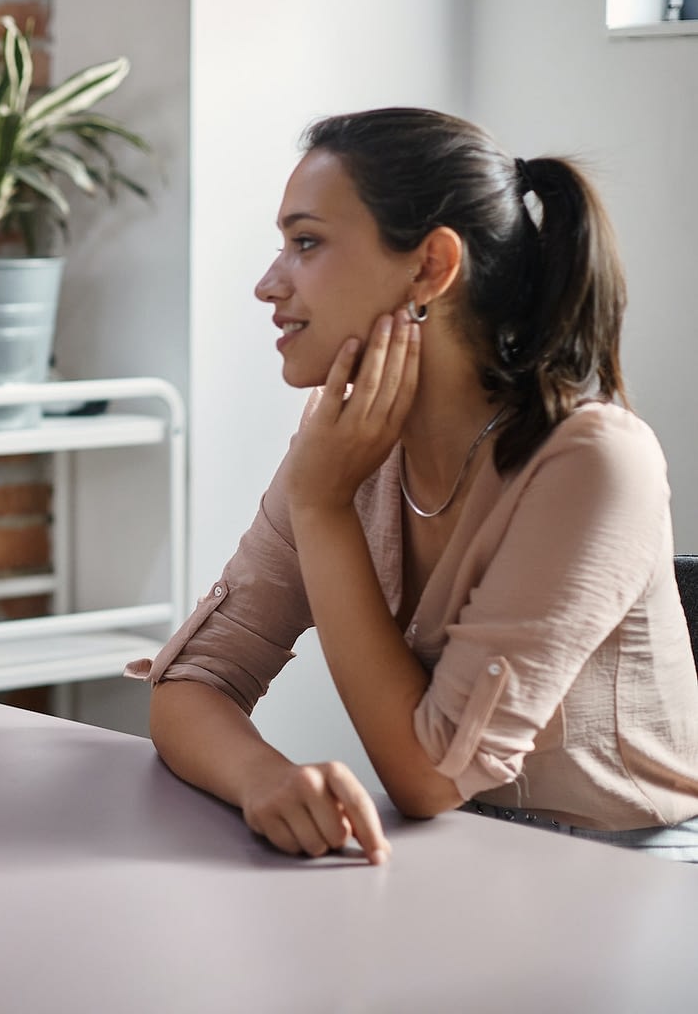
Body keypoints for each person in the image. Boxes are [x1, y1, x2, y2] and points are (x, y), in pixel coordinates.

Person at [131, 107, 698, 865]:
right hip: (463, 859)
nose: (269, 285)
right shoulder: (346, 445)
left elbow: (430, 777)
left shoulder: (596, 463)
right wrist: (263, 777)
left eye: (306, 243)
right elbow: (193, 682)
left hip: (637, 876)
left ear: (431, 267)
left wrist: (324, 505)